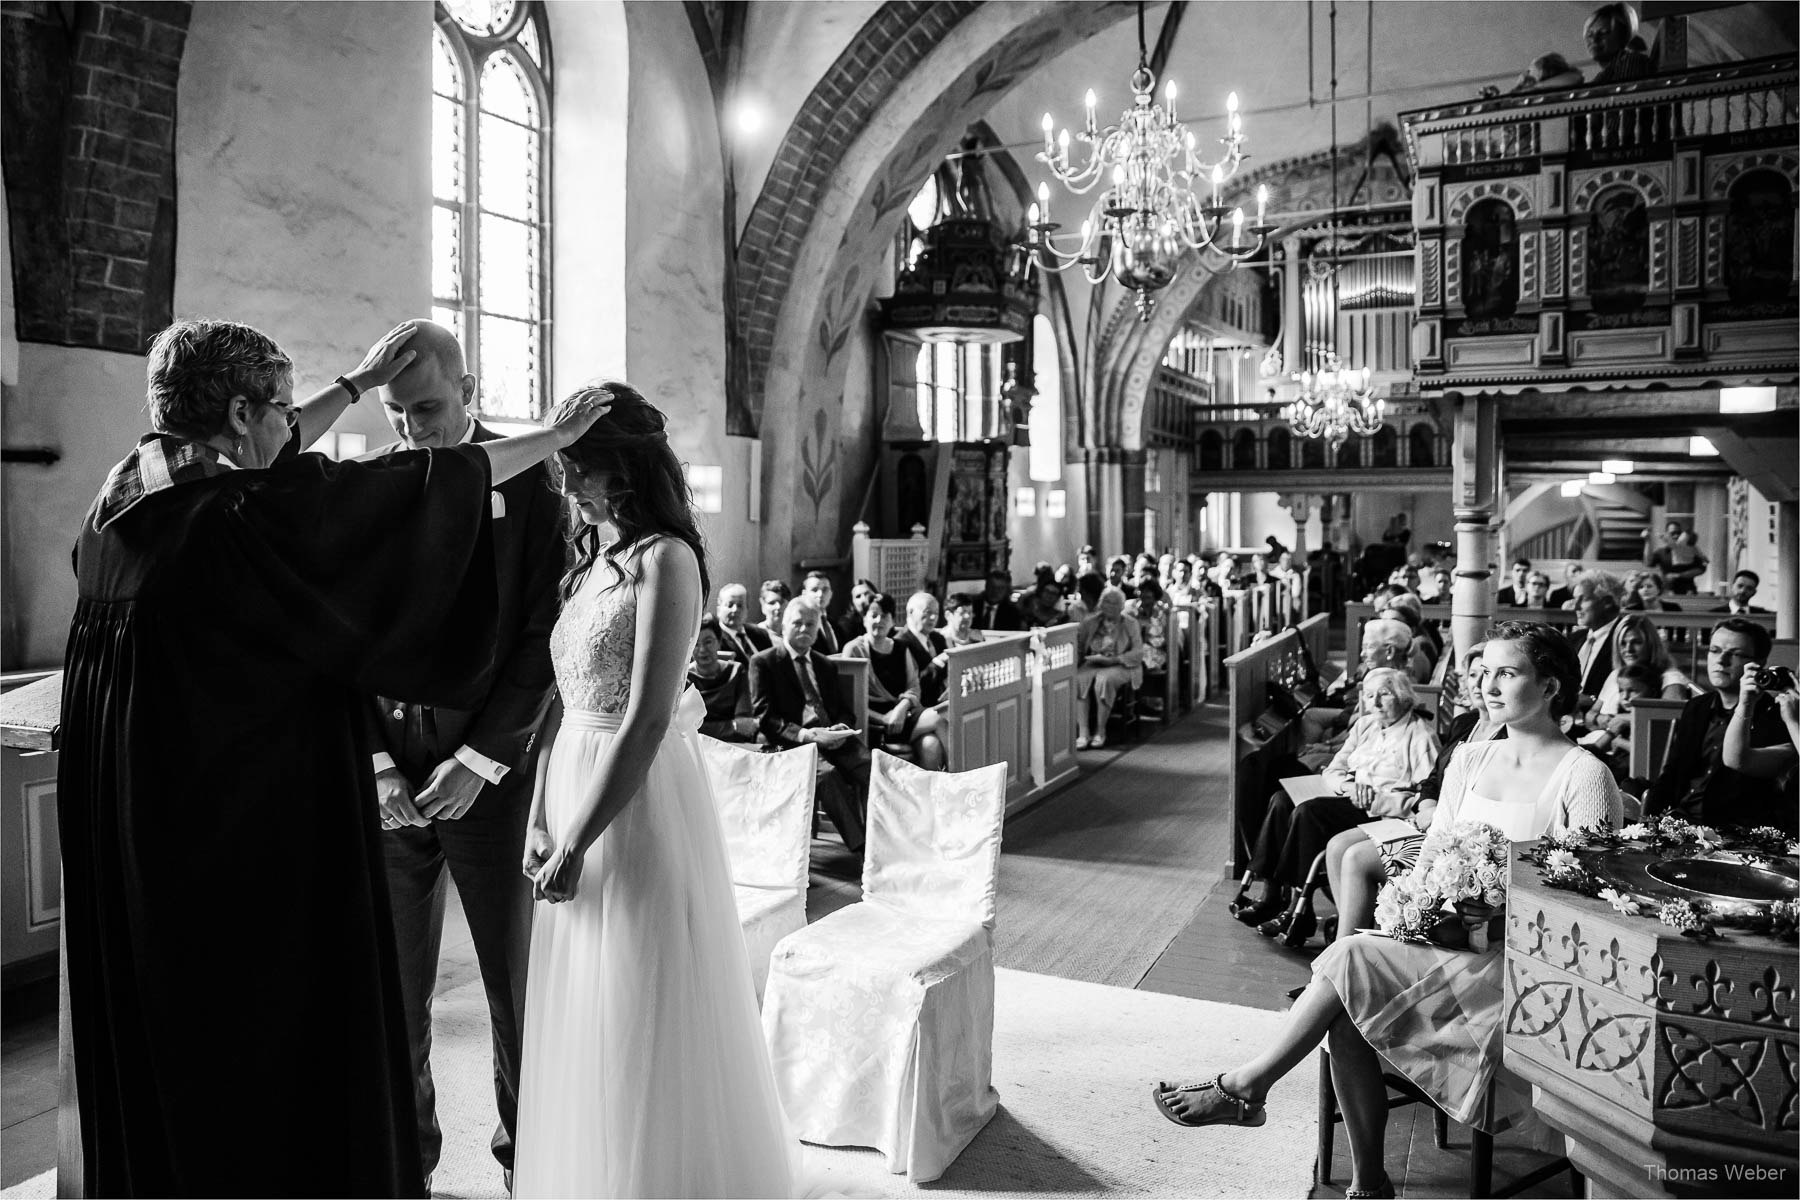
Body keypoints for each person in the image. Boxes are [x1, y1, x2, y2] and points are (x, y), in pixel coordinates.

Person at [57, 318, 605, 1196]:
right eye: (278, 409)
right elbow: (399, 490)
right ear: (238, 413)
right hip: (234, 832)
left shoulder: (130, 493)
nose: (291, 427)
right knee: (273, 1042)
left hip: (137, 822)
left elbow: (281, 455)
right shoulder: (239, 518)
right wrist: (562, 435)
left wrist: (350, 381)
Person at [1153, 623, 1623, 1200]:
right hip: (1448, 945)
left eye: (1507, 673)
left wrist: (1492, 911)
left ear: (1550, 685)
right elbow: (1432, 858)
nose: (1488, 686)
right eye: (1482, 673)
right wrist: (1422, 904)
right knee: (1350, 995)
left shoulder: (1584, 774)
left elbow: (1590, 905)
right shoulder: (1471, 760)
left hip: (1522, 971)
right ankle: (1368, 1183)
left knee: (1349, 960)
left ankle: (1248, 1086)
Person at [513, 383, 798, 1196]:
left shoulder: (666, 561)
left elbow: (643, 719)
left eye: (580, 469)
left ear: (626, 469)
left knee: (640, 998)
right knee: (585, 1006)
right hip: (572, 777)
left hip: (636, 801)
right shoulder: (590, 565)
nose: (566, 485)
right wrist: (540, 816)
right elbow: (559, 705)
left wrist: (578, 839)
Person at [363, 321, 563, 1196]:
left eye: (431, 408)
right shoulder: (376, 486)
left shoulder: (535, 486)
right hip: (389, 782)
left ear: (470, 386)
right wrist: (375, 762)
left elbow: (542, 637)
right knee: (395, 997)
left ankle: (529, 1165)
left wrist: (481, 758)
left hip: (490, 780)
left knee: (514, 994)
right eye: (400, 416)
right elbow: (348, 635)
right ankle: (408, 1172)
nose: (416, 431)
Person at [1233, 670, 1440, 947]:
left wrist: (1374, 798)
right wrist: (1348, 787)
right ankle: (1272, 893)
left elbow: (1424, 795)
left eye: (1384, 694)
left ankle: (1299, 907)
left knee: (1309, 813)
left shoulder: (1420, 735)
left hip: (1379, 812)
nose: (1375, 703)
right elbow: (1333, 769)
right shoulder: (1365, 725)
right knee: (1282, 800)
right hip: (1347, 796)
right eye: (1368, 695)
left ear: (1404, 699)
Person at [1322, 641, 1502, 942]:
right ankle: (1350, 941)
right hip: (1426, 818)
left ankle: (1345, 955)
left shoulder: (1505, 735)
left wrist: (1433, 816)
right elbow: (1432, 780)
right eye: (1473, 675)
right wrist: (1427, 805)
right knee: (1337, 846)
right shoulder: (1465, 723)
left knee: (1355, 857)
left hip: (1455, 838)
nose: (1479, 684)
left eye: (1488, 674)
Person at [1644, 618, 1797, 833]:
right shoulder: (1697, 707)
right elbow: (1672, 773)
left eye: (1734, 654)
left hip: (1733, 832)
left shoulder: (1778, 714)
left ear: (1758, 662)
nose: (1721, 661)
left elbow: (1743, 768)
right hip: (1681, 821)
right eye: (1714, 650)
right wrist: (1648, 823)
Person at [749, 597, 871, 854]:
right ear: (784, 625)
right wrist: (805, 735)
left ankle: (883, 836)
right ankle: (862, 849)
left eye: (810, 624)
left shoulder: (824, 664)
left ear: (818, 628)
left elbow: (845, 711)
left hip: (833, 739)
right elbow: (765, 717)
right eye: (798, 623)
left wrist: (840, 729)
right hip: (794, 744)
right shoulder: (764, 662)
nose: (804, 629)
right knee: (828, 777)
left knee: (871, 767)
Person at [843, 591, 947, 769]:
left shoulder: (900, 647)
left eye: (885, 616)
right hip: (873, 723)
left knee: (931, 744)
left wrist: (900, 709)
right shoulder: (854, 649)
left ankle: (926, 795)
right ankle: (960, 777)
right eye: (873, 615)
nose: (879, 621)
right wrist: (884, 718)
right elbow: (850, 700)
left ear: (892, 620)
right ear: (864, 619)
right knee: (939, 717)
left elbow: (914, 687)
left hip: (903, 715)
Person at [1075, 585, 1145, 749]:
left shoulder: (1130, 623)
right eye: (1106, 602)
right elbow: (1079, 646)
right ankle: (1083, 733)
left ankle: (1100, 731)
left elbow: (1138, 653)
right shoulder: (1090, 621)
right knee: (1079, 678)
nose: (1109, 606)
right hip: (1093, 662)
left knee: (1104, 680)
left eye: (1114, 603)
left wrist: (1116, 659)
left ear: (1121, 606)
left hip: (1123, 665)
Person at [690, 617, 757, 742]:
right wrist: (732, 726)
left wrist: (709, 728)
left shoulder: (737, 670)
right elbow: (688, 729)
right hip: (699, 747)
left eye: (708, 642)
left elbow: (745, 726)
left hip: (735, 746)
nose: (702, 650)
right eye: (696, 644)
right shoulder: (686, 679)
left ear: (719, 642)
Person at [1566, 573, 1624, 702]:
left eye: (1584, 599)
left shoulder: (1626, 640)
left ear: (1607, 602)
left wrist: (1592, 700)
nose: (1575, 607)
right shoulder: (1574, 639)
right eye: (1575, 599)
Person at [894, 591, 951, 707]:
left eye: (936, 613)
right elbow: (913, 683)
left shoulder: (938, 638)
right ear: (911, 612)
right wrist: (937, 662)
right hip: (918, 707)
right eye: (928, 612)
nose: (933, 617)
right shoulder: (900, 642)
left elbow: (949, 670)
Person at [1586, 1, 1652, 83]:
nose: (1594, 39)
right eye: (1590, 34)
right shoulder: (1605, 74)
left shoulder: (1631, 61)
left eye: (1603, 32)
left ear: (1622, 36)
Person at [715, 582, 775, 664]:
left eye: (740, 605)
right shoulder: (715, 640)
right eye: (730, 605)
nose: (735, 610)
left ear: (747, 609)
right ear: (719, 609)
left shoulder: (761, 634)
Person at [1646, 521, 1707, 595]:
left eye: (1679, 533)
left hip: (1688, 592)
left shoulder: (1690, 550)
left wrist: (1678, 575)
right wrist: (1647, 541)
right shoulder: (1661, 552)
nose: (1676, 536)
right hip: (1667, 591)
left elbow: (1701, 569)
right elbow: (1648, 562)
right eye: (1673, 533)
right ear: (1667, 534)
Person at [800, 570, 843, 652]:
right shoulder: (801, 625)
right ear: (804, 594)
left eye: (825, 590)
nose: (820, 594)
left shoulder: (837, 627)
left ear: (831, 594)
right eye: (814, 590)